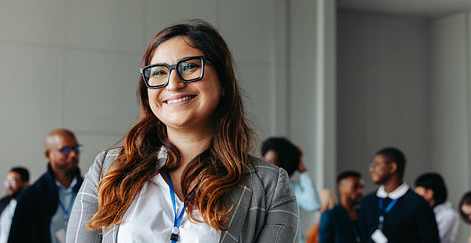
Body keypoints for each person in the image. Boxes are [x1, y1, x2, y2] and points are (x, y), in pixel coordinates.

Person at [67, 19, 299, 243]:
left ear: (224, 84)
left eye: (189, 67)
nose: (173, 83)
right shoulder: (108, 168)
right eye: (158, 72)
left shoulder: (269, 186)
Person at [8, 129, 83, 243]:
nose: (73, 154)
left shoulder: (89, 190)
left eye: (76, 149)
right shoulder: (31, 196)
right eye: (65, 150)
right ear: (48, 154)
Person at [359, 147, 440, 243]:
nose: (372, 169)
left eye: (377, 165)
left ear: (392, 167)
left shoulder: (417, 204)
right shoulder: (368, 202)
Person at [261, 137, 321, 242]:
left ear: (282, 165)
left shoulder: (292, 188)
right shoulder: (258, 187)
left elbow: (314, 204)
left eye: (271, 161)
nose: (266, 165)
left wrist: (302, 169)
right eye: (264, 160)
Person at [319, 171, 364, 243]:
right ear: (341, 188)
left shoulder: (363, 214)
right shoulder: (330, 216)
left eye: (361, 187)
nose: (360, 191)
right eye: (355, 187)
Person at [415, 172, 459, 243]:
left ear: (430, 193)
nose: (415, 196)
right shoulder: (424, 211)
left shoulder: (447, 215)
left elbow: (431, 239)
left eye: (418, 192)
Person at [0, 167, 29, 243]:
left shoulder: (31, 206)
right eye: (7, 182)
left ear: (25, 184)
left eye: (13, 182)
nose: (9, 186)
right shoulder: (3, 204)